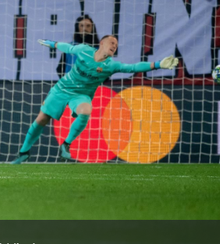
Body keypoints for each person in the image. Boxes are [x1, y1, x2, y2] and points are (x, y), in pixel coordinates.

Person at [11, 36, 179, 164]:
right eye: (111, 42)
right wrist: (52, 44)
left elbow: (133, 67)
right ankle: (24, 152)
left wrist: (157, 64)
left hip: (81, 95)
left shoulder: (111, 65)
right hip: (62, 89)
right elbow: (68, 48)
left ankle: (66, 144)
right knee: (42, 119)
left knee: (86, 110)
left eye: (116, 45)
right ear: (101, 43)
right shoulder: (84, 50)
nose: (114, 46)